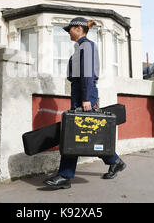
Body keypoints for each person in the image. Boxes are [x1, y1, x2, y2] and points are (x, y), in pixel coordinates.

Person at [43, 17, 127, 190]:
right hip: (80, 91)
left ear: (79, 28)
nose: (68, 33)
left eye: (70, 30)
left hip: (84, 91)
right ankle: (115, 161)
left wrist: (86, 98)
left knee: (73, 133)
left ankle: (65, 176)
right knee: (85, 132)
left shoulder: (86, 46)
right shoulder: (81, 46)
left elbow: (87, 74)